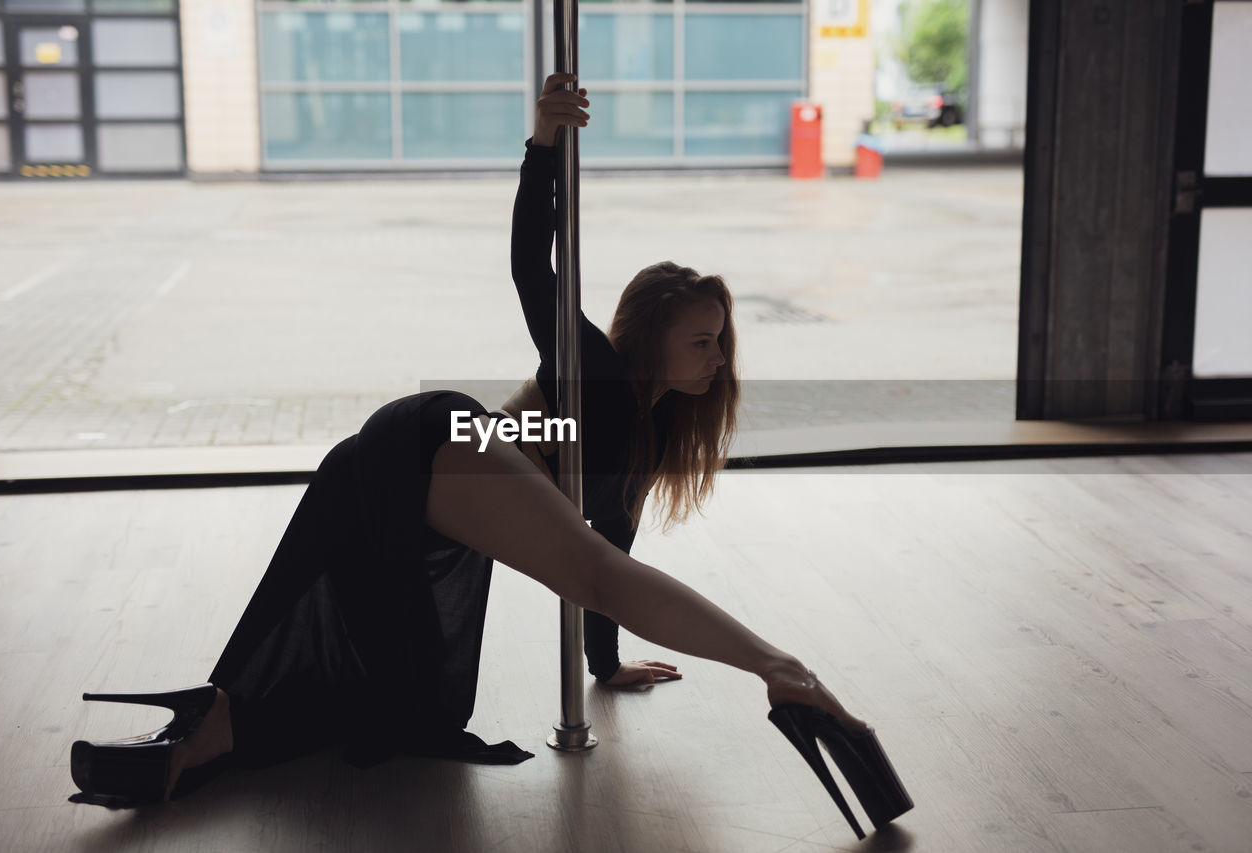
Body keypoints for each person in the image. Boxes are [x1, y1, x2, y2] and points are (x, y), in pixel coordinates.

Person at [70, 73, 909, 839]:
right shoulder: (599, 373)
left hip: (410, 494)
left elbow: (610, 552)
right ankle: (788, 670)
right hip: (441, 440)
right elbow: (528, 268)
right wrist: (543, 144)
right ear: (647, 338)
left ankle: (197, 735)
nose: (716, 357)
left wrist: (605, 664)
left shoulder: (642, 434)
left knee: (390, 701)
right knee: (543, 599)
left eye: (720, 341)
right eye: (700, 340)